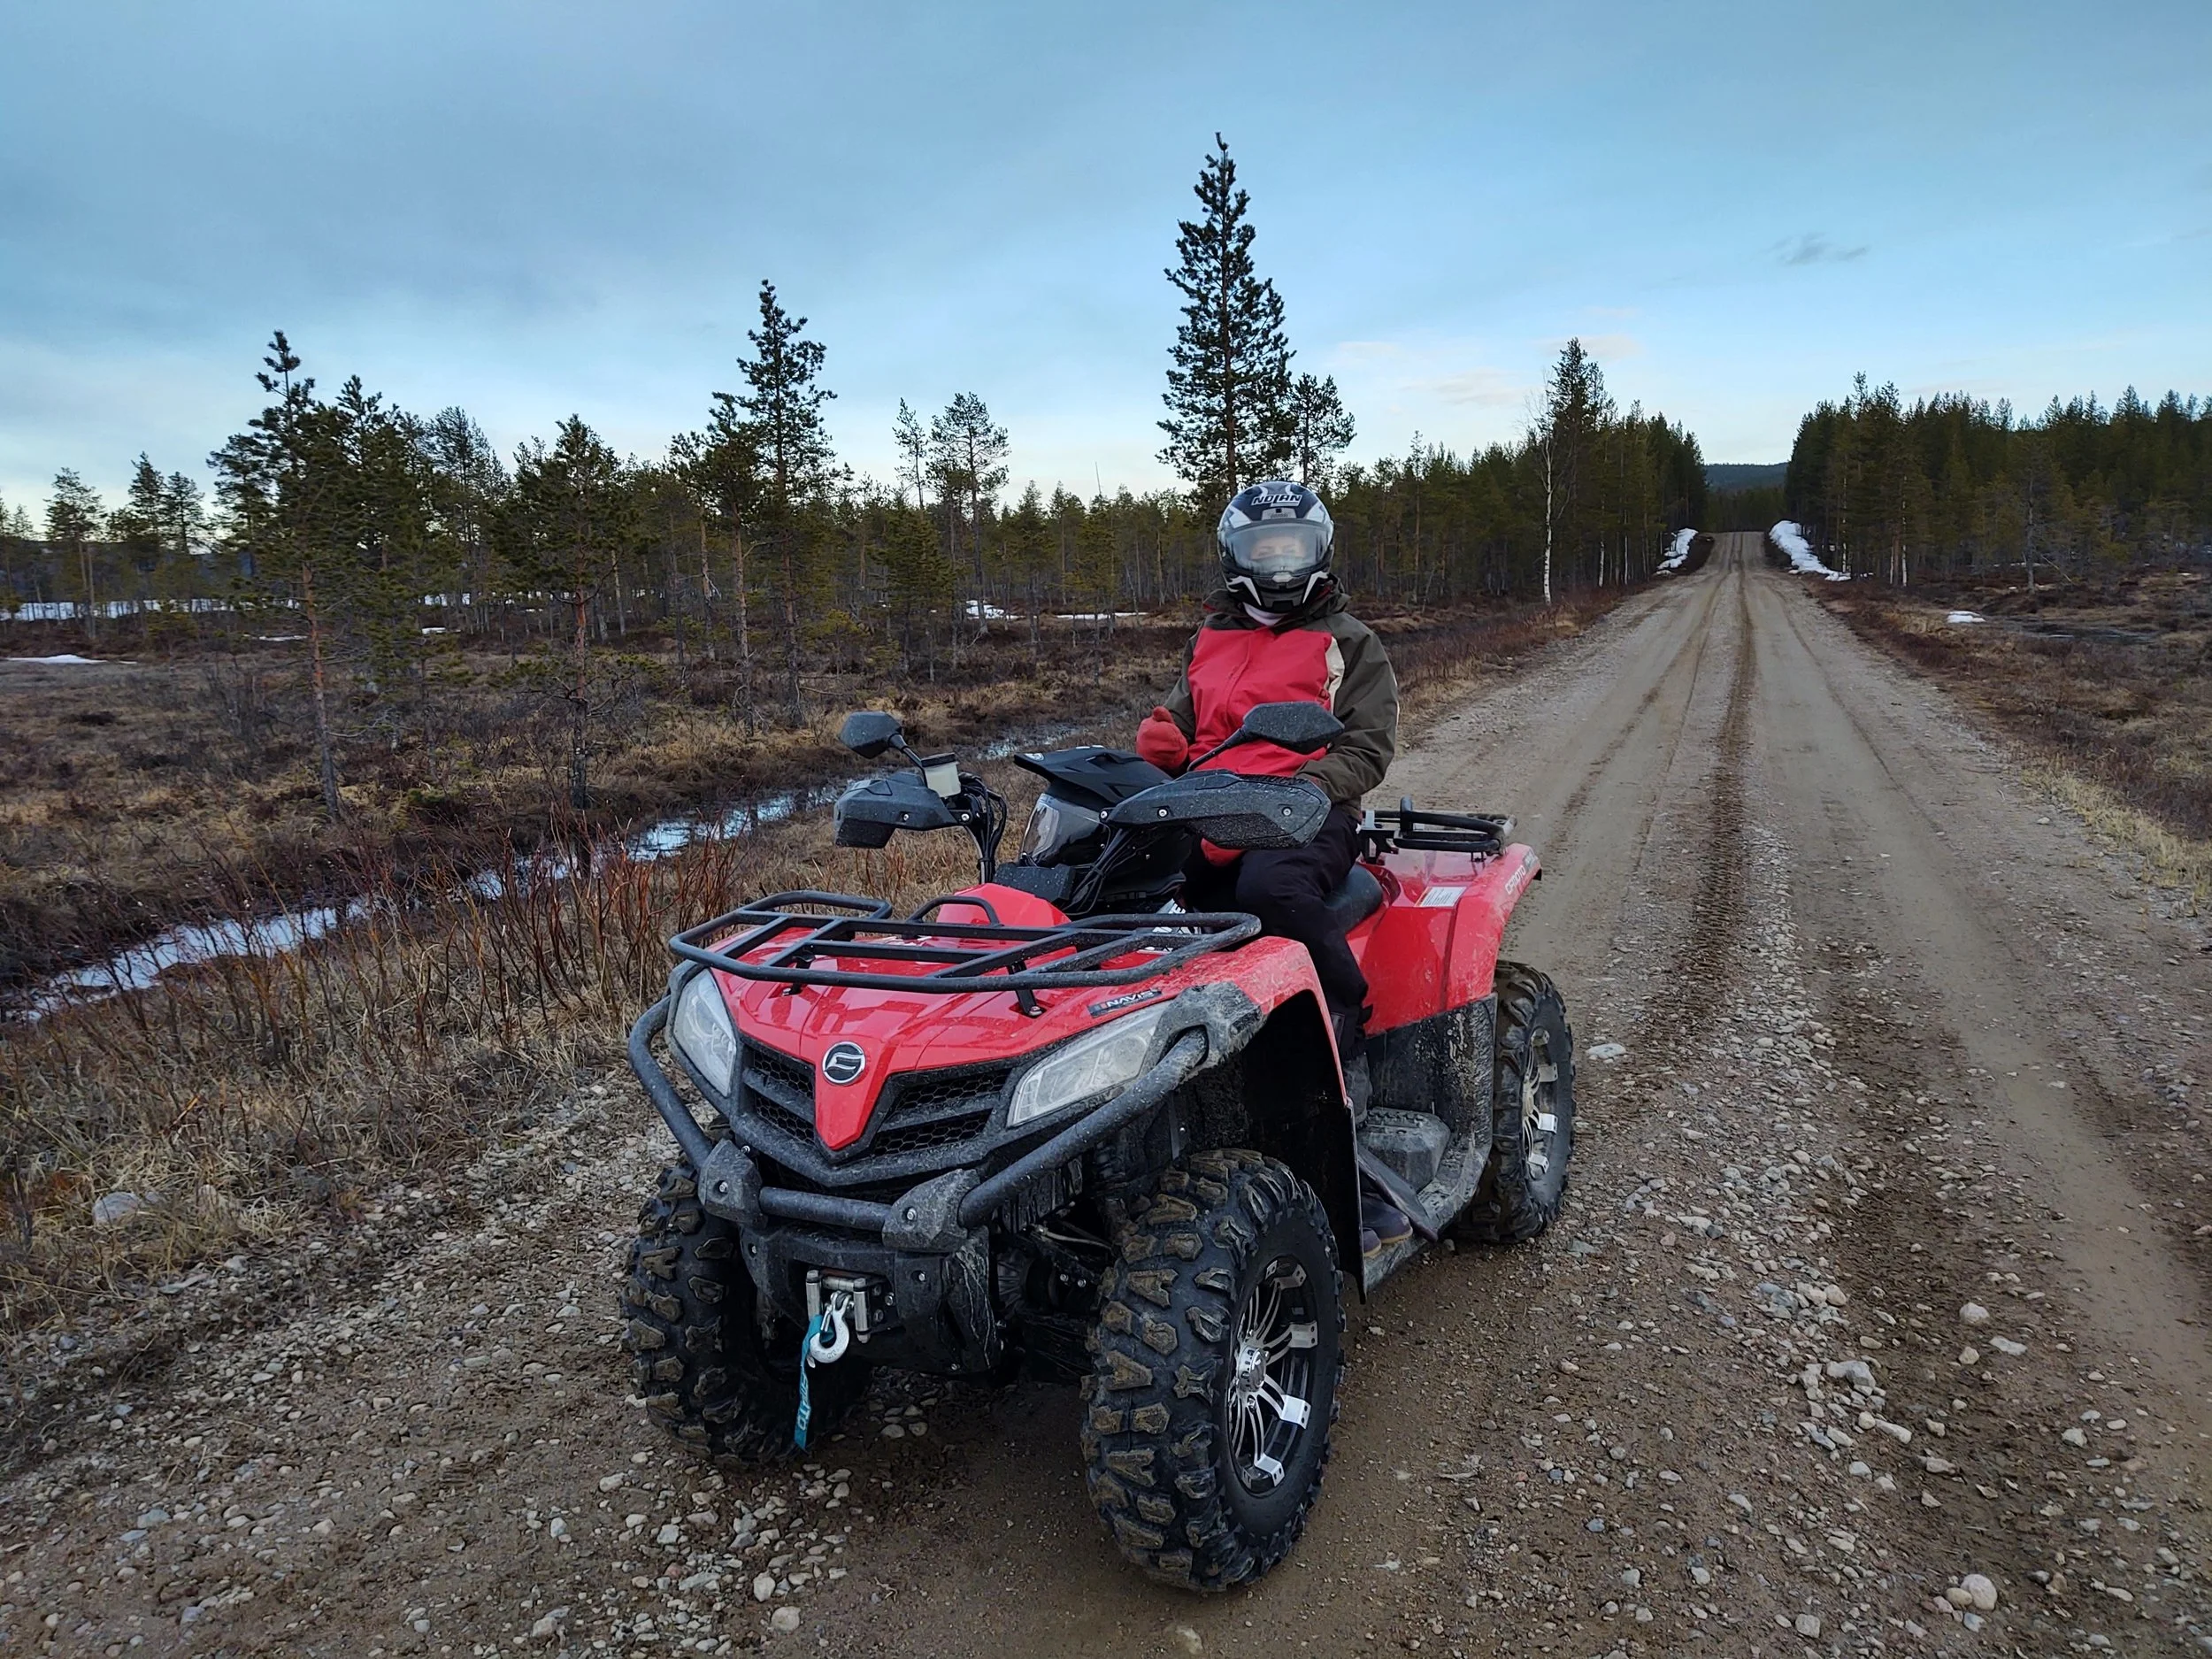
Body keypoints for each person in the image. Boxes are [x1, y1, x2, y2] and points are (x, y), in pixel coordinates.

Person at [1133, 480, 1410, 1258]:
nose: (1280, 565)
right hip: (1213, 804)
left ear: (1318, 552)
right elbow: (1178, 725)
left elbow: (1368, 748)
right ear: (1236, 557)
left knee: (1267, 889)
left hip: (1308, 813)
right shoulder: (1208, 639)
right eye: (1265, 550)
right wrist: (1160, 741)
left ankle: (1344, 1019)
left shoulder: (1349, 642)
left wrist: (1309, 788)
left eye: (1292, 549)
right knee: (1123, 879)